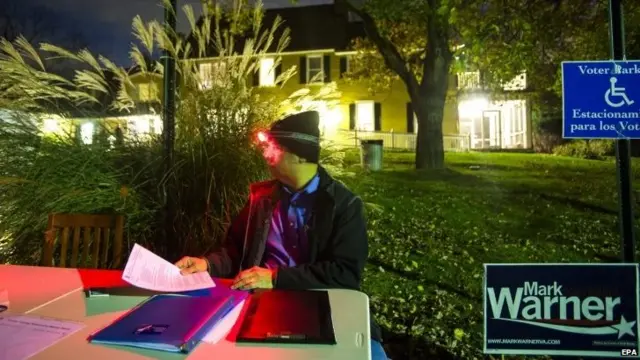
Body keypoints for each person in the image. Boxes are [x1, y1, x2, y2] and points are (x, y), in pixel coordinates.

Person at [175, 110, 388, 360]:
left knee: (370, 354)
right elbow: (235, 249)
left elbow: (344, 272)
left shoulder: (343, 205)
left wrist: (276, 278)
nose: (266, 155)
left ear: (299, 156)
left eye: (274, 149)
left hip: (321, 302)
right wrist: (208, 264)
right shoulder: (261, 198)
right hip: (261, 302)